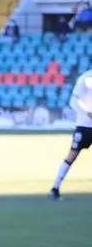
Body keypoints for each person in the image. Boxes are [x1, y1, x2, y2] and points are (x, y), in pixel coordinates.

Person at [50, 69, 92, 200]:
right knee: (72, 155)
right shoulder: (86, 78)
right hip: (85, 125)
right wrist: (88, 113)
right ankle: (55, 188)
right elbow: (73, 102)